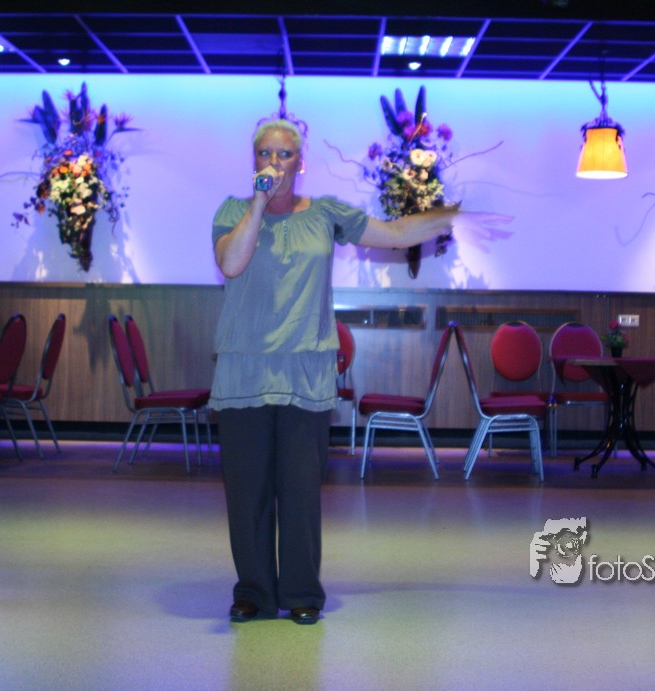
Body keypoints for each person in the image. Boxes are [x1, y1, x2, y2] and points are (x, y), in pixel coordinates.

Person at [211, 116, 493, 625]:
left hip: (306, 370)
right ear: (254, 161)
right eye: (265, 154)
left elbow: (394, 233)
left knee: (300, 491)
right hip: (245, 371)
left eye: (284, 154)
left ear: (300, 163)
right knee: (247, 491)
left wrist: (451, 217)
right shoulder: (233, 212)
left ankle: (301, 593)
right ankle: (252, 592)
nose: (274, 163)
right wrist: (258, 204)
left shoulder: (325, 213)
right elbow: (231, 263)